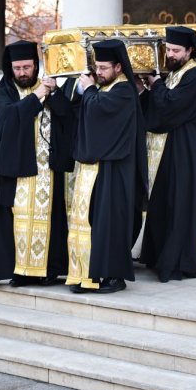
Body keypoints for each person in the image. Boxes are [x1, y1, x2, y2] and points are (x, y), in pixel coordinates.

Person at [0, 41, 75, 286]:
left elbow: (68, 117)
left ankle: (46, 270)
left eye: (26, 67)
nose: (22, 72)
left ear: (36, 66)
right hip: (16, 172)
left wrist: (54, 93)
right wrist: (37, 96)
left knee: (49, 219)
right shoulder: (5, 90)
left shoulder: (48, 87)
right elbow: (7, 118)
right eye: (17, 68)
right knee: (17, 220)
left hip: (47, 171)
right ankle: (20, 271)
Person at [68, 39, 146, 294]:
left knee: (109, 223)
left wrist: (89, 90)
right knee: (91, 221)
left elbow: (100, 113)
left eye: (103, 68)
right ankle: (88, 275)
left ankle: (113, 277)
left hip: (115, 171)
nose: (98, 72)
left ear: (119, 68)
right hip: (97, 168)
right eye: (96, 67)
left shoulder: (123, 91)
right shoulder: (107, 87)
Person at [139, 25, 196, 282]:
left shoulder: (195, 76)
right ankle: (158, 257)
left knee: (181, 206)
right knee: (164, 204)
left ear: (190, 51)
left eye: (175, 50)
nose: (170, 54)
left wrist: (156, 85)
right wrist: (146, 90)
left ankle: (176, 263)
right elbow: (159, 108)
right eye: (168, 49)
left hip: (188, 155)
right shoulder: (176, 73)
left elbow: (171, 106)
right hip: (170, 153)